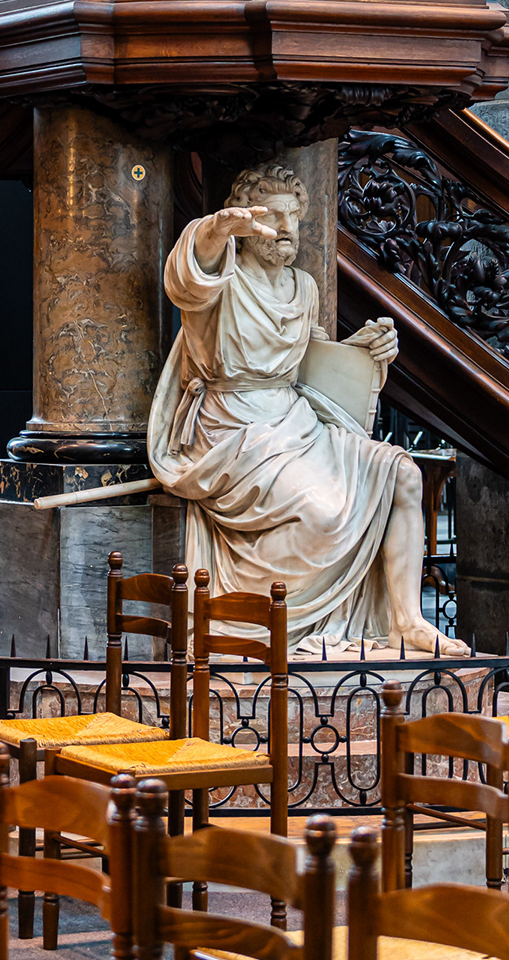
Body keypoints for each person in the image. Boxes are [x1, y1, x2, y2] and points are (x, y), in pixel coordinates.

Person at [147, 161, 463, 652]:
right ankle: (274, 619)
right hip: (233, 429)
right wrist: (215, 229)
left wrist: (364, 350)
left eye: (294, 216)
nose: (287, 229)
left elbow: (308, 366)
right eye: (273, 216)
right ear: (245, 225)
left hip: (294, 421)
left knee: (402, 473)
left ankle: (406, 619)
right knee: (320, 511)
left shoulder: (305, 287)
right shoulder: (220, 281)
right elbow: (185, 279)